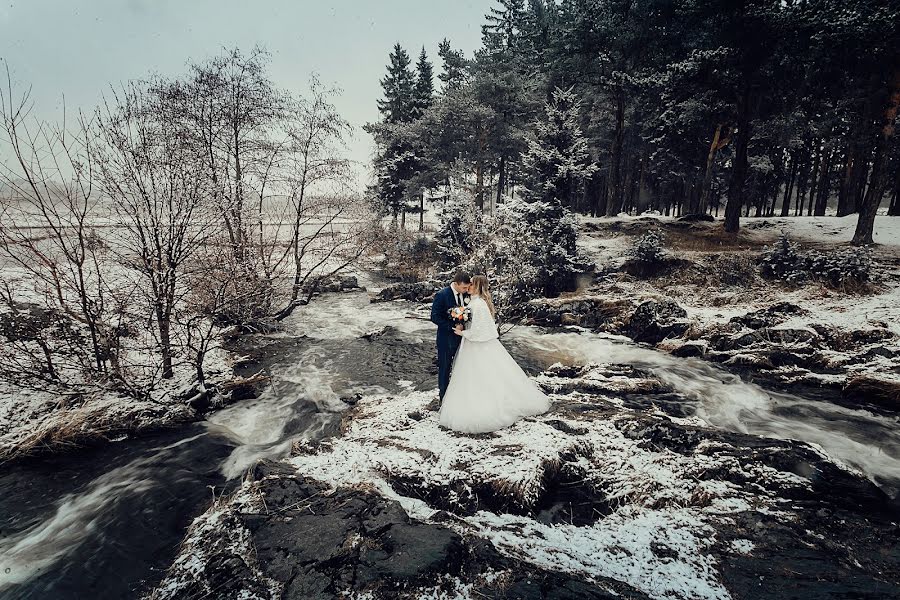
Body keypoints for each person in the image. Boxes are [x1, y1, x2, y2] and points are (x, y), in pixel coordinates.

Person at [439, 275, 551, 433]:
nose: (469, 286)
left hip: (476, 345)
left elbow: (479, 330)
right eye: (468, 284)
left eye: (472, 284)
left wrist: (462, 332)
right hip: (473, 345)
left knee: (481, 375)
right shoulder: (474, 302)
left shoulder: (478, 304)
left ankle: (486, 406)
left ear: (477, 287)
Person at [430, 271, 471, 402]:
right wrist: (451, 327)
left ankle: (458, 397)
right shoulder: (442, 295)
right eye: (464, 287)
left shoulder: (466, 295)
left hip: (462, 338)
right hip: (445, 339)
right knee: (444, 368)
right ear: (456, 284)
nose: (467, 290)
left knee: (460, 367)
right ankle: (444, 399)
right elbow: (434, 317)